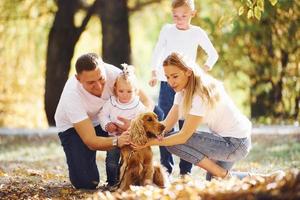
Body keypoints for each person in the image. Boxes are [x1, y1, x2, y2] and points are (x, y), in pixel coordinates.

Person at [134, 52, 252, 180]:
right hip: (225, 141)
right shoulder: (181, 93)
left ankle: (222, 173)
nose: (171, 82)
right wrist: (138, 128)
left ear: (188, 72)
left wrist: (149, 143)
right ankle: (255, 177)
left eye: (175, 76)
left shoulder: (199, 95)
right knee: (213, 182)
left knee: (172, 142)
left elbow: (184, 136)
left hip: (235, 144)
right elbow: (166, 125)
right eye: (167, 77)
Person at [54, 53, 156, 189]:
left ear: (104, 68)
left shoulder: (115, 74)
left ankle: (134, 171)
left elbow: (146, 101)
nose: (98, 86)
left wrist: (134, 123)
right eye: (91, 83)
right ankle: (85, 158)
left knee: (156, 114)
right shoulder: (71, 95)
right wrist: (117, 142)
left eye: (101, 79)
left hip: (108, 121)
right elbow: (90, 140)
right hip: (75, 128)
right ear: (78, 79)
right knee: (86, 182)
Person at [148, 0, 219, 176]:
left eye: (184, 16)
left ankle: (185, 171)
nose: (179, 20)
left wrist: (203, 69)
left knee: (184, 126)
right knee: (165, 124)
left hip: (188, 84)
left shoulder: (197, 33)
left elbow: (213, 54)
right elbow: (158, 50)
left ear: (192, 14)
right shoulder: (167, 30)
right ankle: (166, 168)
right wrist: (153, 72)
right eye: (176, 16)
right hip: (167, 84)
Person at [98, 64, 147, 184]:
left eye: (129, 91)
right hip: (114, 138)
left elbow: (143, 121)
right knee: (111, 161)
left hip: (131, 139)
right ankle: (111, 182)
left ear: (135, 91)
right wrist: (107, 124)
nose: (125, 94)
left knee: (129, 161)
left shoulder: (137, 105)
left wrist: (131, 126)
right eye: (121, 91)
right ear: (115, 89)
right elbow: (102, 115)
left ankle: (127, 181)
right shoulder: (111, 102)